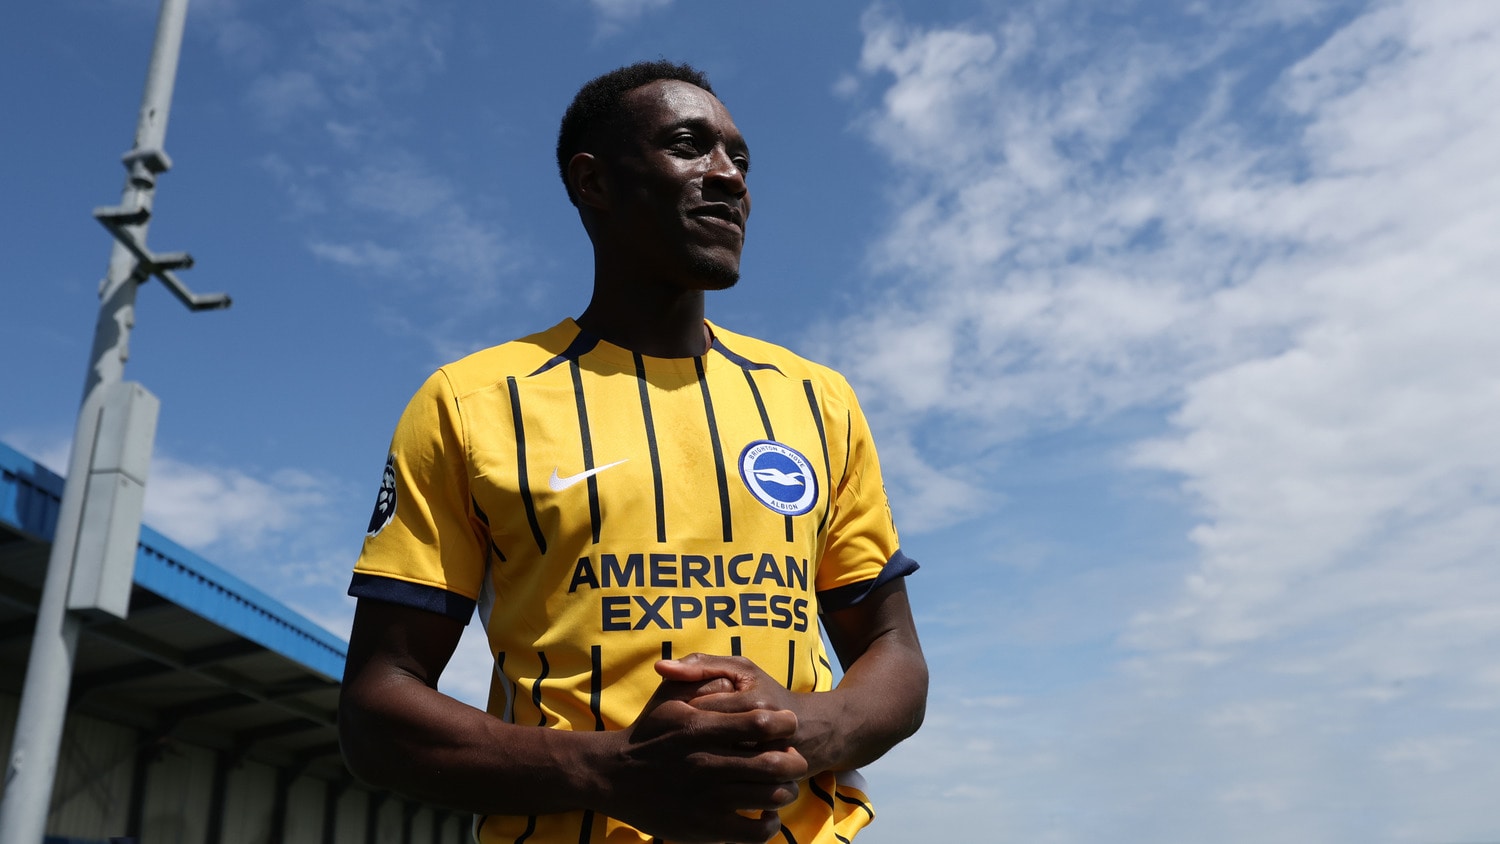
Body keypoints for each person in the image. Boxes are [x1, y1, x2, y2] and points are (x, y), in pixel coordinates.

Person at [338, 60, 928, 844]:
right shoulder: (472, 403)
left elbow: (895, 654)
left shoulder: (816, 400)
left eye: (740, 159)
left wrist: (802, 726)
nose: (728, 178)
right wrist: (609, 771)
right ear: (593, 182)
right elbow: (378, 704)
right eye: (690, 146)